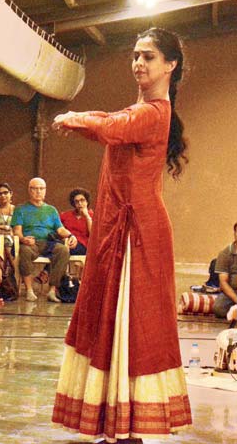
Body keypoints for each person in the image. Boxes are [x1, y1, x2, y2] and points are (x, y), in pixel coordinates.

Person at [51, 27, 192, 441]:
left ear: (171, 65)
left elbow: (111, 127)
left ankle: (128, 428)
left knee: (133, 326)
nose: (138, 63)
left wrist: (71, 117)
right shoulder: (141, 109)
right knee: (110, 322)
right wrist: (82, 118)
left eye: (148, 56)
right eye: (135, 55)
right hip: (118, 228)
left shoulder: (154, 112)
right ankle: (117, 428)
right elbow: (112, 120)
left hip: (138, 233)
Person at [12, 177, 75, 303]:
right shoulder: (20, 209)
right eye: (35, 189)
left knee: (63, 250)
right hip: (31, 243)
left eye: (41, 189)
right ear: (29, 190)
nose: (38, 191)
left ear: (45, 191)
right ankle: (29, 290)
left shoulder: (51, 210)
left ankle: (52, 290)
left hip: (48, 242)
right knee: (24, 251)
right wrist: (23, 239)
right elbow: (17, 231)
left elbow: (60, 229)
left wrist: (70, 236)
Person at [212, 222, 237, 319]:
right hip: (233, 292)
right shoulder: (225, 254)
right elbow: (223, 282)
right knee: (218, 308)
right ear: (235, 233)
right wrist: (236, 299)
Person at [60, 187, 94, 256]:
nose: (80, 203)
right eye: (77, 201)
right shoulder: (66, 215)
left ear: (87, 201)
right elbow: (58, 229)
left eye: (82, 200)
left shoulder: (93, 216)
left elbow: (93, 234)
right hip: (67, 241)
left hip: (83, 245)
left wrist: (87, 216)